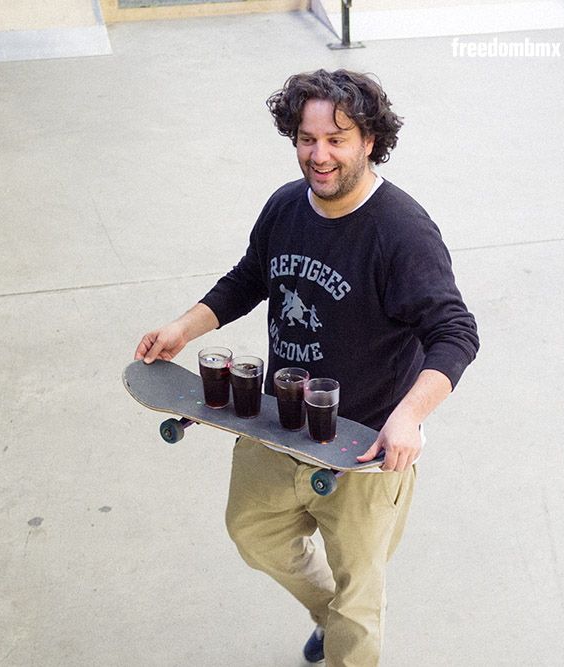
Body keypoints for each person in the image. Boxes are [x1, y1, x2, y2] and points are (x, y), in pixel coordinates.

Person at [135, 69, 479, 667]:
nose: (319, 156)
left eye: (337, 139)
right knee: (252, 534)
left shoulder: (402, 231)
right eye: (306, 138)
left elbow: (455, 332)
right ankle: (329, 613)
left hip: (364, 451)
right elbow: (250, 277)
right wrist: (184, 328)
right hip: (280, 425)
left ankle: (344, 632)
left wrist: (407, 418)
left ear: (369, 141)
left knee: (360, 602)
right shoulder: (287, 205)